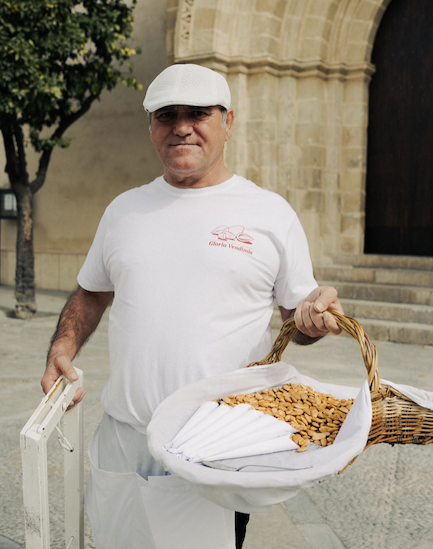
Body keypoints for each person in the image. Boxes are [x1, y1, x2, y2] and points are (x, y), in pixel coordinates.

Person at [40, 64, 344, 549]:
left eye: (198, 114)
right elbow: (91, 292)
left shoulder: (270, 213)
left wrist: (314, 317)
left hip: (217, 448)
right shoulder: (124, 210)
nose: (182, 127)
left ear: (228, 122)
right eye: (167, 115)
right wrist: (62, 346)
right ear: (151, 127)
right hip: (125, 442)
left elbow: (298, 319)